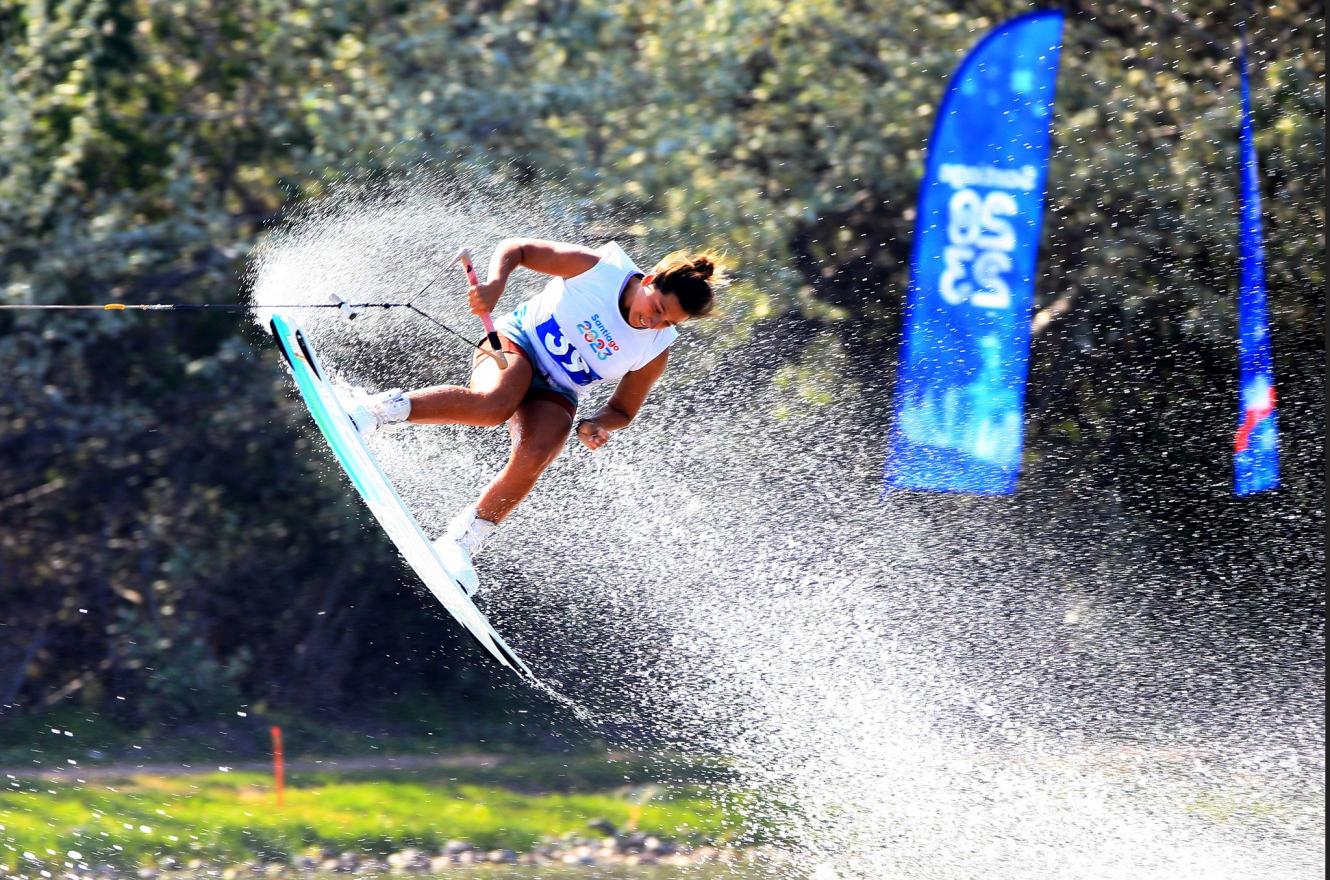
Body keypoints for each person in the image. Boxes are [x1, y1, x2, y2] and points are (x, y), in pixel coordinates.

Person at [340, 238, 724, 594]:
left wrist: (597, 424)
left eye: (668, 323)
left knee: (538, 453)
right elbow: (518, 248)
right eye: (656, 309)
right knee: (493, 405)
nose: (653, 323)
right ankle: (375, 411)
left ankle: (461, 541)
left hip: (558, 389)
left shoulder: (655, 349)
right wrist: (494, 285)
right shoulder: (600, 269)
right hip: (516, 342)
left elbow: (622, 409)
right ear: (651, 280)